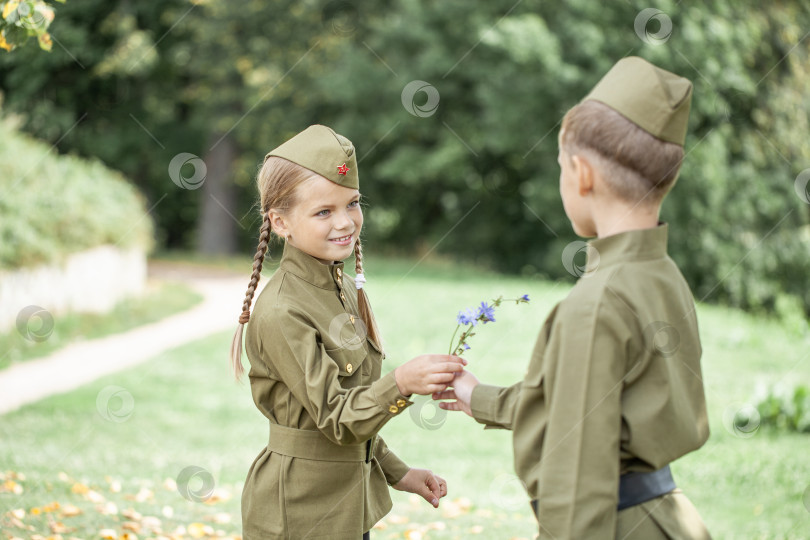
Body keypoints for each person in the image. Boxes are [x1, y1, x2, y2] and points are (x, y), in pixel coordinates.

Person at [434, 56, 712, 539]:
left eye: (560, 166)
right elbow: (583, 404)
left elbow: (578, 488)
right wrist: (476, 397)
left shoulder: (596, 304)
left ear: (581, 174)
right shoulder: (662, 276)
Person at [230, 125, 465, 539]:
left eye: (352, 204)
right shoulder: (284, 309)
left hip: (345, 506)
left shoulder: (341, 288)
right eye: (324, 211)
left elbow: (352, 408)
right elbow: (337, 420)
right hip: (300, 515)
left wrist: (398, 472)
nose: (345, 222)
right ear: (280, 222)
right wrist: (403, 383)